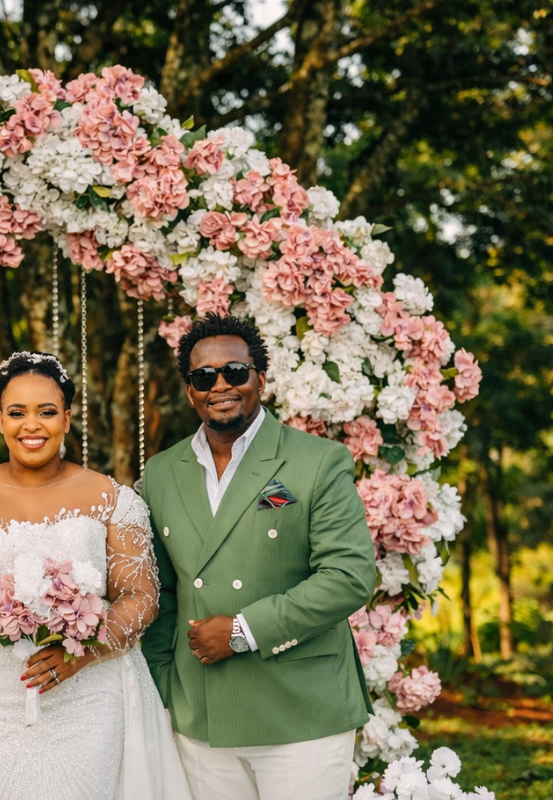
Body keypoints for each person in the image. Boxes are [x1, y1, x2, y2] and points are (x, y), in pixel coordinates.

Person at [0, 352, 190, 800]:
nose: (32, 425)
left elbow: (140, 597)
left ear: (67, 419)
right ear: (0, 420)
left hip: (87, 696)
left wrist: (83, 652)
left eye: (46, 412)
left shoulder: (112, 498)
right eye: (17, 413)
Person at [140, 313, 376, 800]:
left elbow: (349, 576)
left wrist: (244, 631)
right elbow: (159, 592)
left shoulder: (317, 461)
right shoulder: (161, 473)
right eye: (203, 377)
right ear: (189, 391)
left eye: (235, 372)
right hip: (201, 713)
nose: (220, 385)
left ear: (260, 379)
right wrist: (165, 685)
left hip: (301, 710)